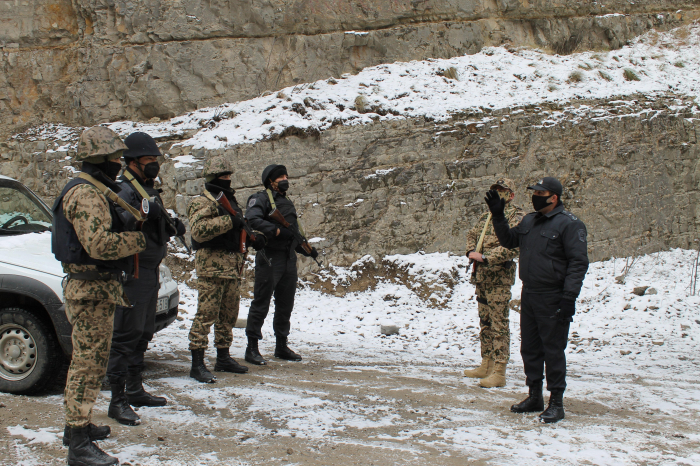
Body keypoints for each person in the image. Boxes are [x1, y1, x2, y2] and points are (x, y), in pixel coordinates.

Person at [52, 126, 151, 466]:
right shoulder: (86, 194)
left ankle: (76, 427)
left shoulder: (94, 189)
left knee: (90, 362)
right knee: (88, 365)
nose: (117, 163)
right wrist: (138, 241)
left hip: (96, 288)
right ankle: (78, 445)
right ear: (98, 160)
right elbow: (99, 245)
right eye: (113, 158)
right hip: (89, 289)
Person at [485, 176, 589, 423]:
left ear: (554, 197)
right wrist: (498, 217)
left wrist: (569, 298)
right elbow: (509, 241)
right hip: (529, 293)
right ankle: (534, 396)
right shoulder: (530, 221)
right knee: (530, 348)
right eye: (534, 192)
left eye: (540, 194)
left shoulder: (570, 224)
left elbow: (578, 264)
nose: (535, 197)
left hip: (553, 296)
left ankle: (556, 402)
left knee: (553, 350)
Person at [106, 132, 187, 425]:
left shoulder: (146, 189)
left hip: (150, 271)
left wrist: (170, 226)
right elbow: (121, 226)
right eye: (150, 160)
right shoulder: (125, 190)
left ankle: (134, 388)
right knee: (125, 336)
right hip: (134, 272)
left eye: (156, 160)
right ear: (134, 162)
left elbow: (154, 229)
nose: (155, 164)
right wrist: (143, 213)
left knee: (143, 333)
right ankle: (117, 400)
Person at [187, 156, 265, 383]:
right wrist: (229, 222)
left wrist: (253, 238)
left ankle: (223, 357)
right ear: (212, 178)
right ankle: (197, 363)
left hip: (232, 269)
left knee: (228, 316)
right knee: (206, 315)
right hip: (211, 268)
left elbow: (238, 231)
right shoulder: (201, 202)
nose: (228, 180)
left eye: (230, 176)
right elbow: (199, 230)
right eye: (223, 177)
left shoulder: (230, 203)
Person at [244, 164, 318, 365]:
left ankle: (281, 345)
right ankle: (252, 348)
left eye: (286, 176)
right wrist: (276, 231)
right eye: (280, 177)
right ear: (270, 180)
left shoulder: (286, 201)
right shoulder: (260, 199)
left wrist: (304, 248)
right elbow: (251, 219)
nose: (285, 179)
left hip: (287, 258)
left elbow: (292, 231)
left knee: (285, 304)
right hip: (269, 257)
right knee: (262, 302)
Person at [463, 178, 524, 388]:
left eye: (502, 190)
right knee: (485, 322)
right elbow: (472, 233)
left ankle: (499, 370)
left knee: (499, 324)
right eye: (495, 190)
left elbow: (513, 246)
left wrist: (486, 257)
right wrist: (471, 251)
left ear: (511, 194)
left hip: (499, 276)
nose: (498, 193)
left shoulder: (516, 216)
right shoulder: (486, 215)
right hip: (482, 276)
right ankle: (486, 363)